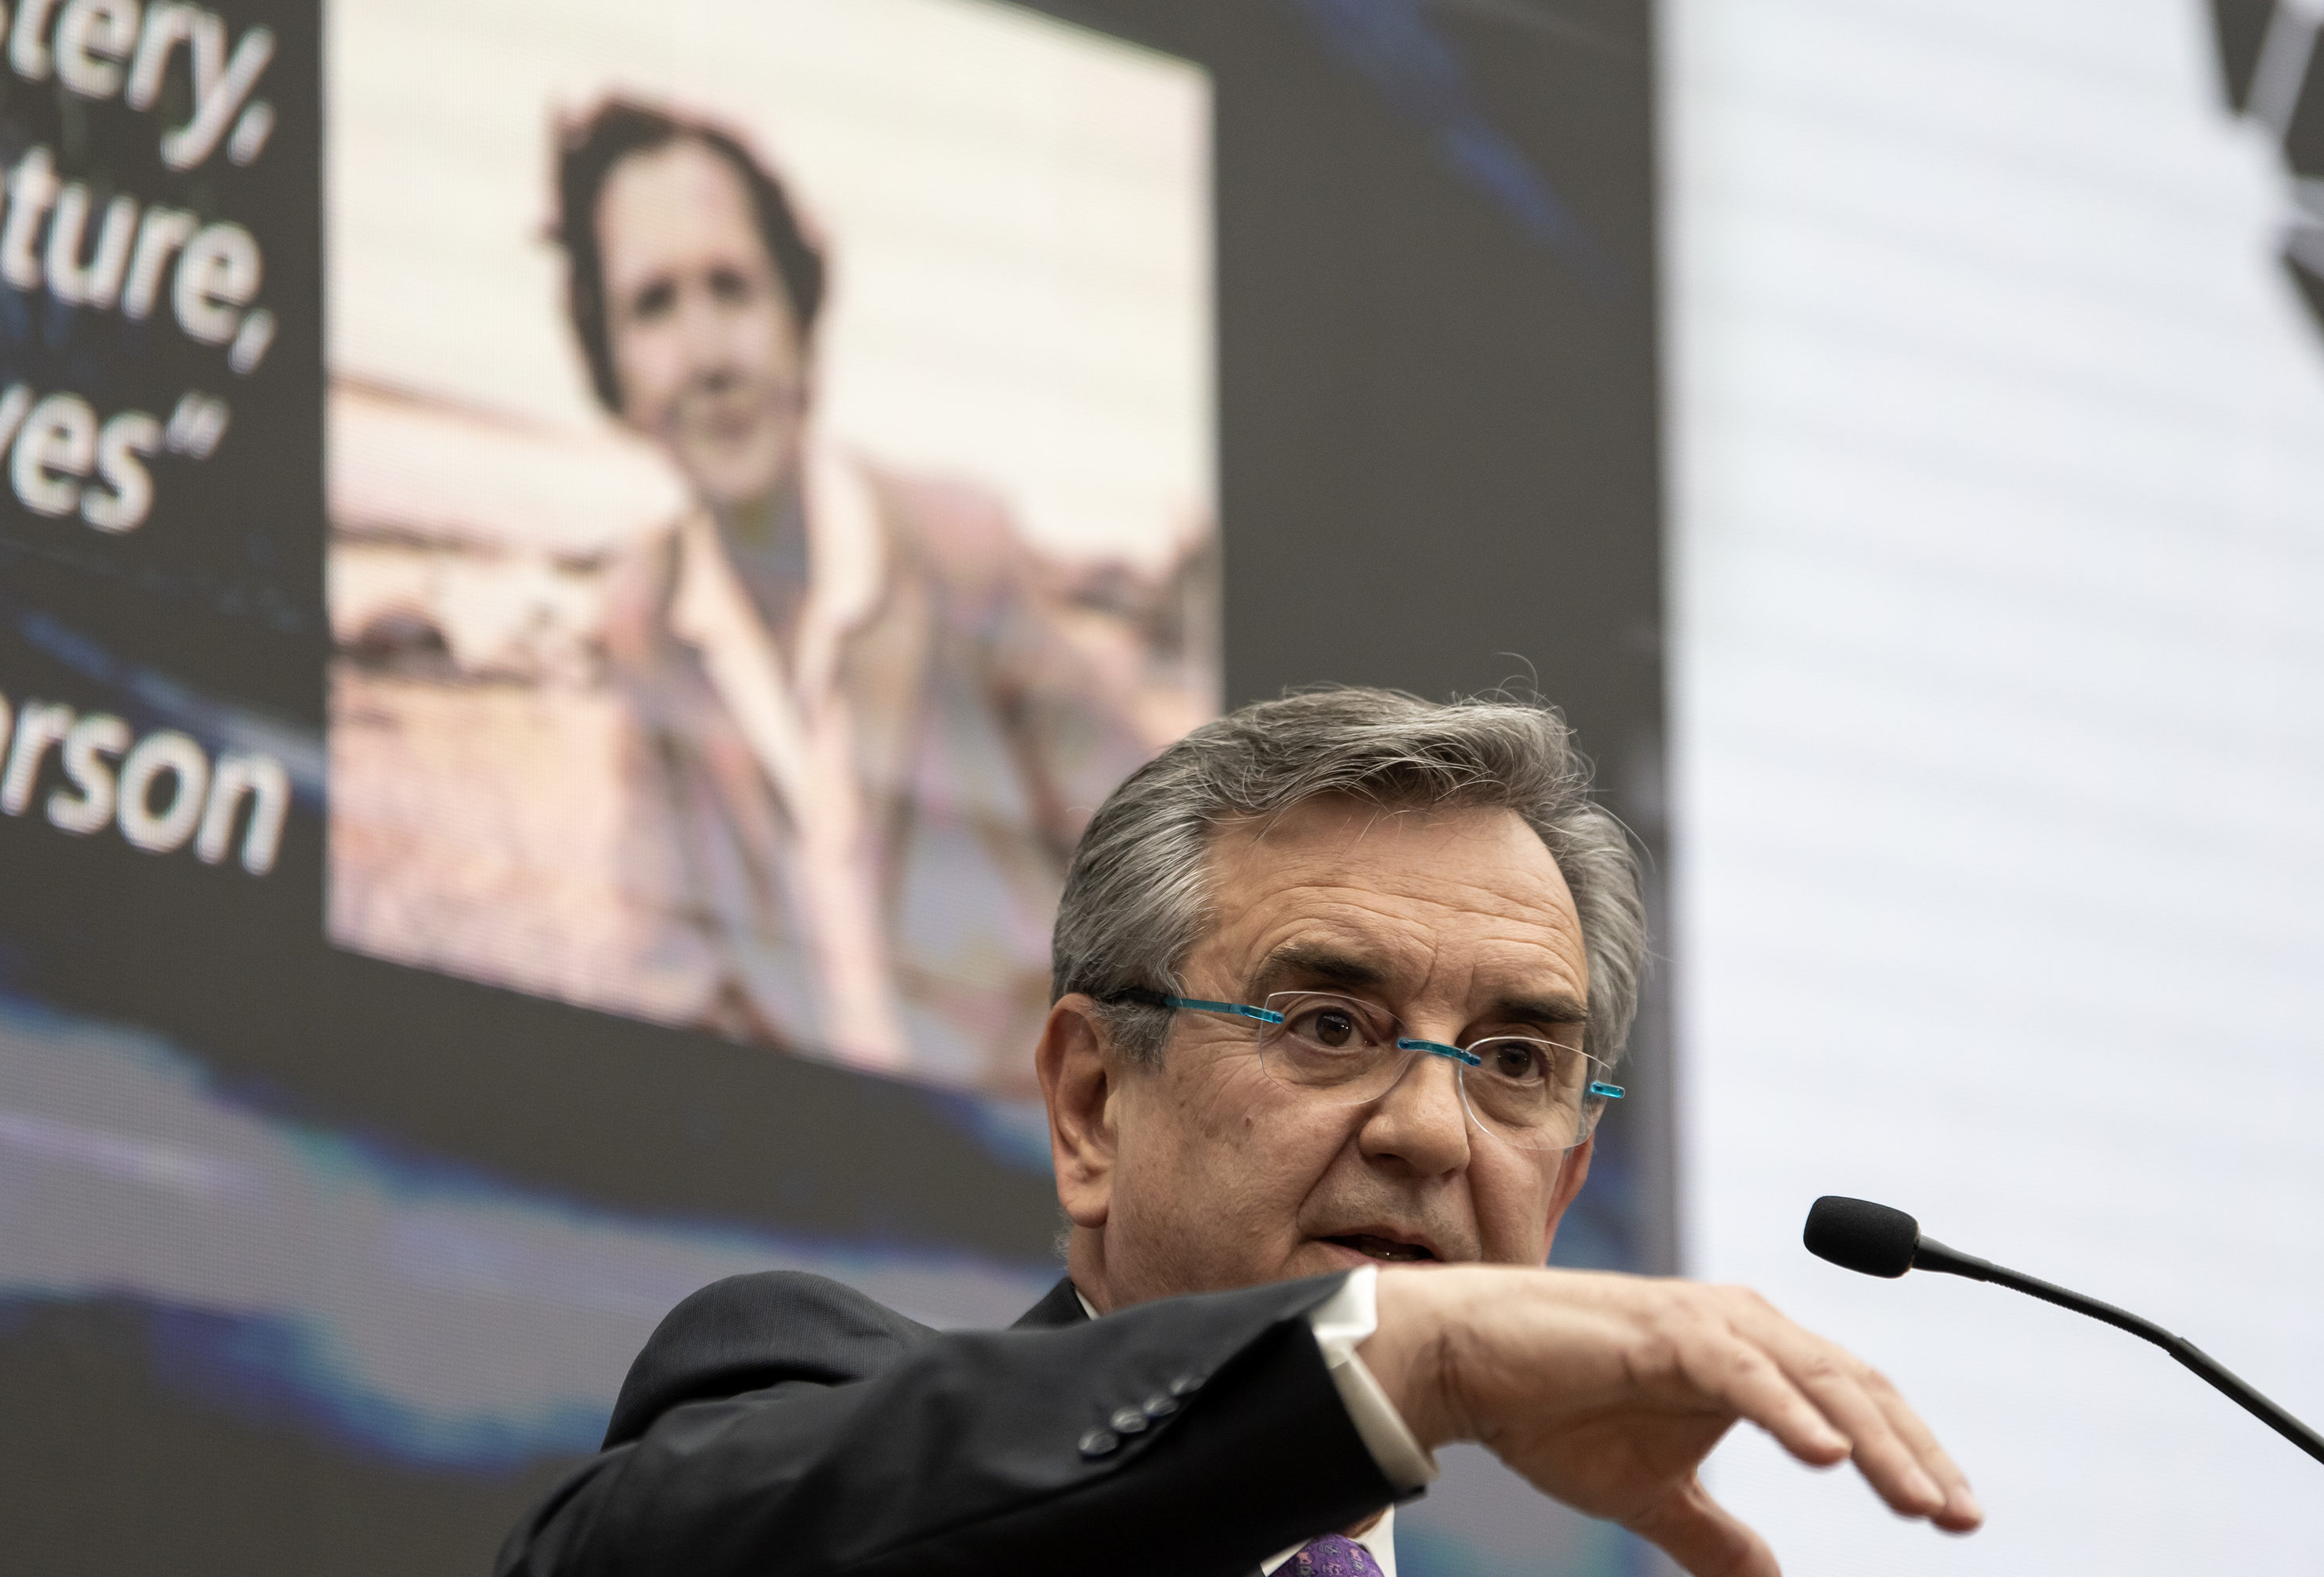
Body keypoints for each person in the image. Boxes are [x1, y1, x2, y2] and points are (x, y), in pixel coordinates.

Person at [494, 688, 1982, 1577]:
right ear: (1091, 1102)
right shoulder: (814, 1418)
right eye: (1328, 1025)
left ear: (1572, 1176)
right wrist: (1402, 1356)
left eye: (1517, 1060)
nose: (1432, 1130)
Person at [554, 98, 1158, 1081]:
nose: (706, 353)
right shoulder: (640, 620)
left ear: (798, 315)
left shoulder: (960, 548)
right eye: (653, 305)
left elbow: (1162, 853)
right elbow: (673, 965)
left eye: (732, 287)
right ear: (612, 369)